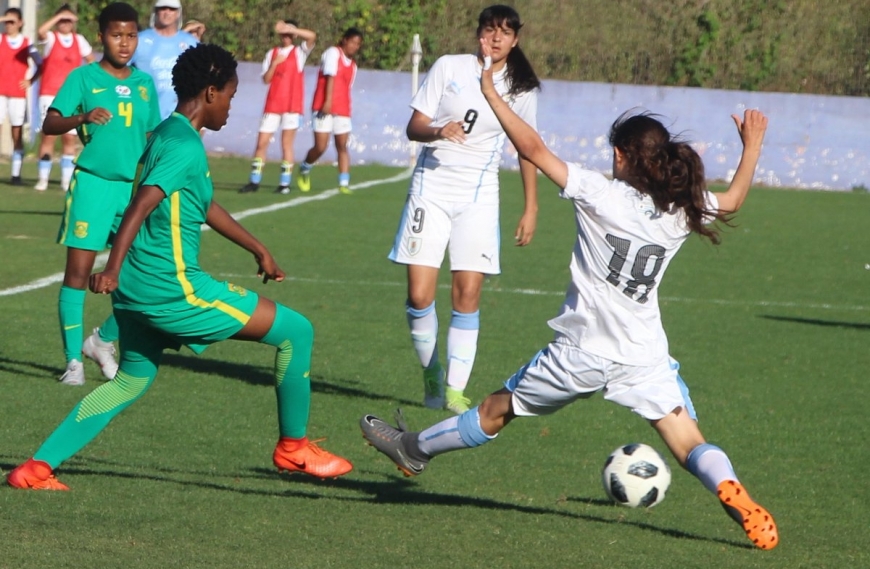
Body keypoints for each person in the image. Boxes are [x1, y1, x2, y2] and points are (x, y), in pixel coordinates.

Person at [360, 37, 778, 551]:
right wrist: (752, 145)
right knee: (687, 439)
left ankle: (413, 448)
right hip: (642, 354)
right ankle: (730, 489)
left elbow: (532, 149)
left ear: (624, 157)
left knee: (497, 408)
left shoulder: (601, 193)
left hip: (579, 352)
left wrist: (493, 97)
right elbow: (732, 200)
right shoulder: (679, 209)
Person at [6, 42, 353, 491]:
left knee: (130, 381)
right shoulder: (183, 146)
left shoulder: (168, 134)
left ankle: (35, 468)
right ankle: (294, 447)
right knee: (296, 331)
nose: (231, 104)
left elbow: (203, 205)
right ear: (210, 93)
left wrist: (257, 247)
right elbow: (140, 204)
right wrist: (109, 266)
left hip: (137, 289)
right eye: (230, 93)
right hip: (171, 288)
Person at [387, 5, 540, 414]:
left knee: (467, 292)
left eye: (504, 33)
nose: (496, 38)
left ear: (515, 39)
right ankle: (431, 372)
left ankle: (454, 391)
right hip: (430, 189)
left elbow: (528, 149)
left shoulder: (521, 87)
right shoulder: (449, 67)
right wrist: (438, 129)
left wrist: (531, 206)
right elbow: (413, 127)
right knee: (419, 296)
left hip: (478, 198)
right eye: (490, 30)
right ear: (478, 34)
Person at [48, 2, 161, 386]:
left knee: (143, 275)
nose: (124, 43)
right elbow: (50, 122)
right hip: (94, 186)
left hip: (132, 192)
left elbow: (151, 136)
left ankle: (101, 341)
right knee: (78, 274)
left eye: (131, 35)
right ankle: (72, 364)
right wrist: (82, 117)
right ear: (101, 36)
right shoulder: (83, 78)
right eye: (116, 35)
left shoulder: (145, 84)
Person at [239, 19, 316, 195]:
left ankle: (284, 184)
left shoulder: (299, 52)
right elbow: (266, 79)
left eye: (290, 33)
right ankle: (254, 181)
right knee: (261, 143)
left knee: (286, 144)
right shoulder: (272, 53)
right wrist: (274, 64)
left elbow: (312, 36)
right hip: (273, 104)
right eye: (284, 33)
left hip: (292, 106)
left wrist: (291, 28)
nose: (287, 36)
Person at [34, 4, 95, 192]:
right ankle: (43, 179)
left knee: (70, 138)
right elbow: (41, 32)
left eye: (68, 20)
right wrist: (58, 16)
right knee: (49, 136)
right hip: (50, 93)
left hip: (71, 96)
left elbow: (91, 61)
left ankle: (65, 180)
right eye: (62, 20)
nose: (65, 24)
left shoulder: (79, 40)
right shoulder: (52, 38)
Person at [296, 27, 363, 194]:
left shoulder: (353, 65)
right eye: (352, 42)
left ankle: (344, 183)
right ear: (345, 40)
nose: (354, 46)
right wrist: (327, 102)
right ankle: (305, 168)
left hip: (343, 109)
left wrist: (343, 107)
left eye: (358, 44)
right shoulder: (332, 53)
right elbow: (330, 77)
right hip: (323, 106)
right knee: (320, 147)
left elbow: (347, 88)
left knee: (342, 146)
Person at [131, 0, 198, 120]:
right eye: (163, 8)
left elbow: (201, 81)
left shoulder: (190, 42)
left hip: (180, 120)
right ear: (156, 11)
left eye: (171, 9)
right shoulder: (140, 40)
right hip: (146, 118)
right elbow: (119, 73)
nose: (167, 12)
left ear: (178, 13)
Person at [0, 7, 43, 185]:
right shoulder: (1, 39)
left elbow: (40, 64)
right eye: (6, 22)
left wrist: (31, 80)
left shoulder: (27, 42)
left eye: (12, 21)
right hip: (0, 92)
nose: (9, 25)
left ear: (20, 22)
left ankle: (16, 174)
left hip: (17, 94)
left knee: (16, 133)